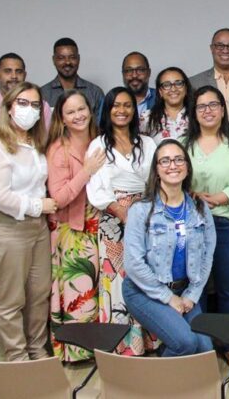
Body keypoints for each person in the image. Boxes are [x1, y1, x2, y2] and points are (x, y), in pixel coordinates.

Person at [0, 82, 57, 361]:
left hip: (36, 229)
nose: (30, 110)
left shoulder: (35, 143)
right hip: (6, 228)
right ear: (9, 107)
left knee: (39, 294)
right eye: (23, 103)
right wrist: (39, 205)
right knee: (11, 299)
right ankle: (17, 356)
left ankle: (37, 348)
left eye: (36, 105)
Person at [123, 139, 216, 357]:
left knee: (205, 350)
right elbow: (134, 264)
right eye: (164, 161)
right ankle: (156, 387)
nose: (172, 165)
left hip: (185, 291)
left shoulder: (200, 209)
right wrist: (167, 297)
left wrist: (191, 296)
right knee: (186, 342)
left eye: (178, 159)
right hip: (144, 291)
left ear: (187, 166)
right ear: (156, 170)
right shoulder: (141, 210)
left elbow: (207, 256)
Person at [185, 85, 229, 367]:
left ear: (223, 108)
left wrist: (218, 198)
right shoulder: (182, 143)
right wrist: (192, 196)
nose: (208, 110)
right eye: (201, 106)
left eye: (213, 104)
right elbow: (171, 176)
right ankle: (200, 348)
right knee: (195, 287)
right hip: (192, 225)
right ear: (194, 112)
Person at [86, 87, 158, 355]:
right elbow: (96, 189)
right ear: (108, 109)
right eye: (116, 105)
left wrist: (143, 215)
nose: (122, 110)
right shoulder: (98, 145)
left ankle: (149, 340)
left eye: (128, 105)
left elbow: (156, 181)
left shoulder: (148, 143)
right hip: (113, 219)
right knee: (118, 279)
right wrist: (122, 211)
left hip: (147, 216)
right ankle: (122, 345)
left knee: (146, 277)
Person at [46, 90, 106, 362]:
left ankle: (104, 348)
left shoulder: (100, 141)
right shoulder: (58, 149)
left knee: (101, 292)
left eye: (81, 109)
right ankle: (78, 352)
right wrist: (87, 170)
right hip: (74, 231)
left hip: (102, 226)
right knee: (79, 293)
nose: (78, 115)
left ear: (90, 110)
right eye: (70, 112)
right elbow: (58, 198)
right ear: (62, 117)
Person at [41, 38, 104, 117]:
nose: (67, 62)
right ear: (54, 60)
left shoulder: (95, 93)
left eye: (72, 57)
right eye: (61, 58)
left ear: (79, 59)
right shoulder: (42, 94)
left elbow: (101, 127)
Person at [140, 67, 192, 143]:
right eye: (167, 85)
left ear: (186, 88)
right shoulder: (147, 118)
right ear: (160, 91)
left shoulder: (198, 114)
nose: (173, 89)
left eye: (178, 83)